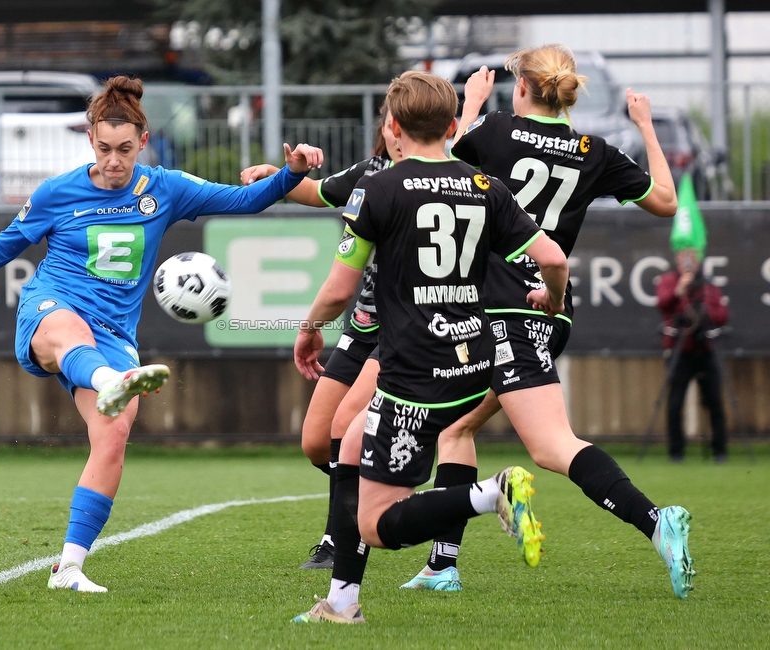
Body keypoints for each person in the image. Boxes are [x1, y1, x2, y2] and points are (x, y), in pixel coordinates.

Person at [0, 75, 324, 593]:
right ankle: (111, 378)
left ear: (143, 142)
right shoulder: (56, 193)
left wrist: (290, 174)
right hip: (52, 309)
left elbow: (242, 201)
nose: (114, 161)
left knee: (113, 435)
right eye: (105, 148)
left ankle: (68, 567)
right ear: (91, 139)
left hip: (113, 333)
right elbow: (3, 246)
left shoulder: (164, 188)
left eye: (125, 150)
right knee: (70, 336)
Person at [394, 44, 695, 599]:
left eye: (512, 83)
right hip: (549, 307)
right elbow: (665, 201)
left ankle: (657, 522)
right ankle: (442, 565)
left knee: (552, 446)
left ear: (524, 88)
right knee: (457, 429)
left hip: (510, 308)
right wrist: (646, 126)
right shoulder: (594, 150)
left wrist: (472, 104)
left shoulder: (497, 131)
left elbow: (431, 173)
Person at [291, 70, 570, 624]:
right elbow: (555, 259)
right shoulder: (485, 185)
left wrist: (309, 327)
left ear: (393, 126)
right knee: (347, 450)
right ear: (450, 126)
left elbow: (340, 288)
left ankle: (492, 494)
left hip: (414, 371)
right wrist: (553, 301)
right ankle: (343, 602)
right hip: (473, 360)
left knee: (377, 523)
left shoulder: (382, 188)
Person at [239, 104, 403, 570]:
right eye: (390, 121)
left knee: (343, 429)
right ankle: (390, 475)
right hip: (363, 326)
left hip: (404, 330)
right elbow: (318, 193)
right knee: (316, 442)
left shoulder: (436, 179)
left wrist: (310, 327)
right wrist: (279, 176)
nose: (394, 130)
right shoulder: (370, 172)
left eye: (402, 121)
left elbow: (338, 285)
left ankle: (340, 540)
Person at [656, 248, 729, 462]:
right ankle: (676, 453)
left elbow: (722, 315)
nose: (688, 263)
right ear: (677, 260)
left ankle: (720, 451)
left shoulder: (708, 287)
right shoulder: (669, 281)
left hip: (706, 349)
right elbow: (663, 303)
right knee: (675, 402)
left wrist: (705, 311)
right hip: (681, 350)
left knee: (715, 401)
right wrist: (680, 290)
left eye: (692, 259)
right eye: (684, 258)